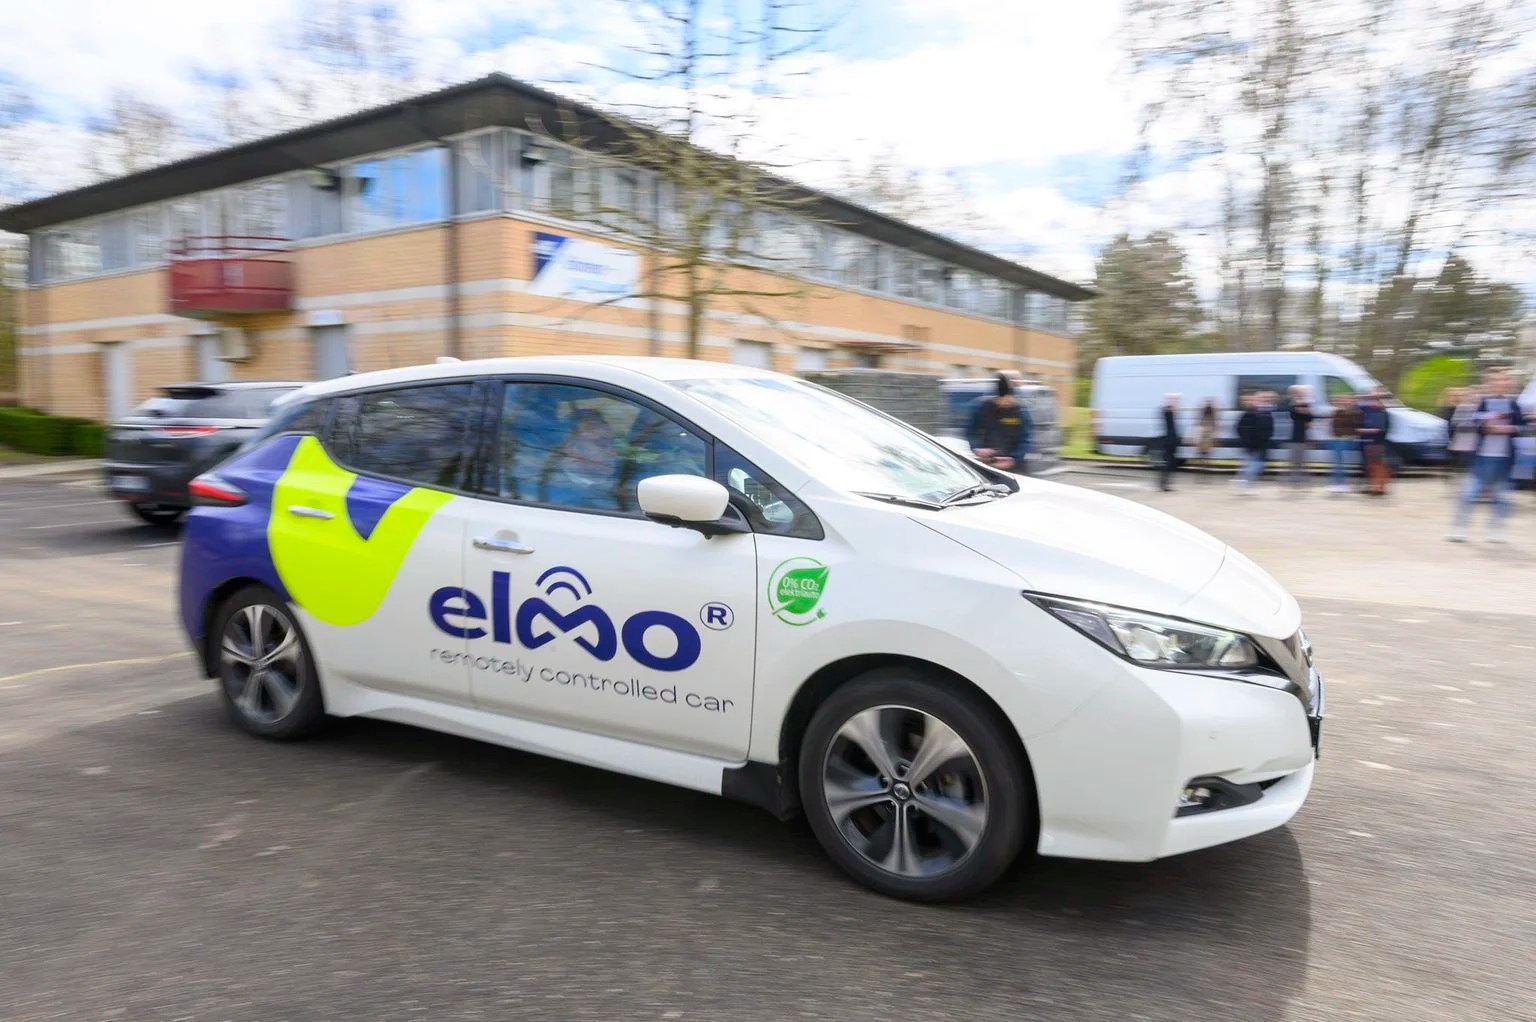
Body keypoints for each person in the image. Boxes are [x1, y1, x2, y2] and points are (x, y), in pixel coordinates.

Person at [1448, 372, 1527, 542]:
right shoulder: (1484, 402)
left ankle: (1496, 531)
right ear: (1492, 383)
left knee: (1502, 496)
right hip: (1482, 457)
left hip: (1505, 458)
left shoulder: (1514, 404)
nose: (1502, 383)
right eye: (1498, 380)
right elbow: (1473, 423)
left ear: (1509, 384)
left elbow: (1523, 427)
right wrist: (1485, 425)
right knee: (1468, 493)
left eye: (1505, 380)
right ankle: (1460, 528)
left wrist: (1509, 429)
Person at [967, 372, 1033, 473]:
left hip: (1015, 466)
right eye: (1001, 400)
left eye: (1008, 399)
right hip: (989, 464)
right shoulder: (983, 408)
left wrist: (1014, 458)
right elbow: (970, 431)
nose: (1005, 403)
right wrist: (976, 449)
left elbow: (1026, 439)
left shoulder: (1020, 412)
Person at [1234, 393, 1274, 490]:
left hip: (1260, 443)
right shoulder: (1251, 413)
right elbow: (1241, 428)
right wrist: (1248, 440)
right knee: (1254, 464)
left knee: (1255, 464)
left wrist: (1266, 436)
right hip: (1252, 444)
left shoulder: (1264, 412)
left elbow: (1267, 427)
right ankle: (1243, 482)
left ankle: (1245, 482)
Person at [1357, 390, 1391, 496]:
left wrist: (1363, 430)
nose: (1372, 402)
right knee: (1372, 466)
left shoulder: (1381, 412)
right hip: (1368, 442)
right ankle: (1374, 487)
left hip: (1376, 442)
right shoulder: (1368, 410)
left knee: (1376, 466)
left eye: (1374, 400)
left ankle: (1378, 488)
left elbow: (1378, 429)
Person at [1327, 392, 1361, 494]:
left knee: (1341, 464)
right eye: (1339, 400)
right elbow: (1334, 426)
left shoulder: (1352, 412)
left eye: (1344, 400)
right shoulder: (1337, 412)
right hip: (1336, 440)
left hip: (1346, 440)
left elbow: (1351, 426)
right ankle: (1337, 484)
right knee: (1337, 464)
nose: (1340, 402)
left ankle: (1343, 485)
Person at [1447, 386, 1482, 476]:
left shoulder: (1479, 408)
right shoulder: (1462, 408)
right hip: (1463, 444)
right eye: (1471, 394)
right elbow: (1454, 425)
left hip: (1474, 444)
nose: (1474, 396)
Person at [1286, 384, 1315, 487]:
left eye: (1301, 392)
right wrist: (1305, 411)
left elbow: (1310, 418)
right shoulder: (1292, 404)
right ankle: (1294, 480)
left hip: (1304, 435)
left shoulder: (1305, 404)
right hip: (1296, 435)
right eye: (1297, 392)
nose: (1300, 393)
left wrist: (1305, 410)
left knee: (1302, 459)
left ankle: (1301, 480)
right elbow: (1295, 412)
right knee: (1295, 460)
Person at [1157, 393, 1182, 491]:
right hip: (1170, 441)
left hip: (1170, 441)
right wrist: (1174, 400)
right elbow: (1174, 409)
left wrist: (1173, 401)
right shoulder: (1167, 413)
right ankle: (1164, 485)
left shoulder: (1167, 413)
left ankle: (1164, 484)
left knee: (1168, 463)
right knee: (1168, 464)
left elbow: (1174, 409)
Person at [1195, 398, 1218, 475]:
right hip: (1207, 439)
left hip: (1203, 438)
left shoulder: (1203, 419)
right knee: (1206, 454)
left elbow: (1199, 429)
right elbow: (1214, 430)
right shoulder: (1212, 419)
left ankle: (1203, 466)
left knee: (1203, 454)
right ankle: (1205, 466)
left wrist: (1197, 441)